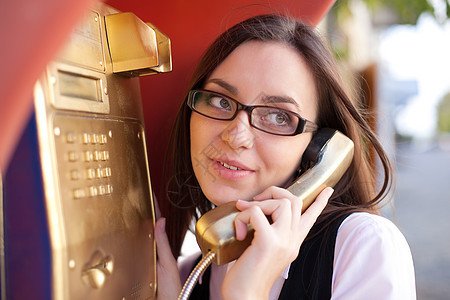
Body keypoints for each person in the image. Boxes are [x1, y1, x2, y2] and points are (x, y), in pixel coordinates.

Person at [153, 14, 416, 300]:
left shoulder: (362, 248)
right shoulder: (189, 276)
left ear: (318, 148)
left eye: (279, 117)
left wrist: (247, 293)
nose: (236, 135)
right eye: (220, 101)